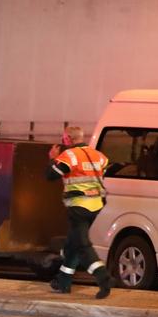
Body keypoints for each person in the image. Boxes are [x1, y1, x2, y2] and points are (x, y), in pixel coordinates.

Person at [45, 126, 113, 298]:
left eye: (64, 138)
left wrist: (52, 159)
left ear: (67, 139)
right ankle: (63, 281)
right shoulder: (98, 155)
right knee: (73, 243)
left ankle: (103, 278)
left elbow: (50, 175)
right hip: (96, 205)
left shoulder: (69, 156)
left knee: (82, 245)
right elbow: (104, 169)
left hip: (79, 206)